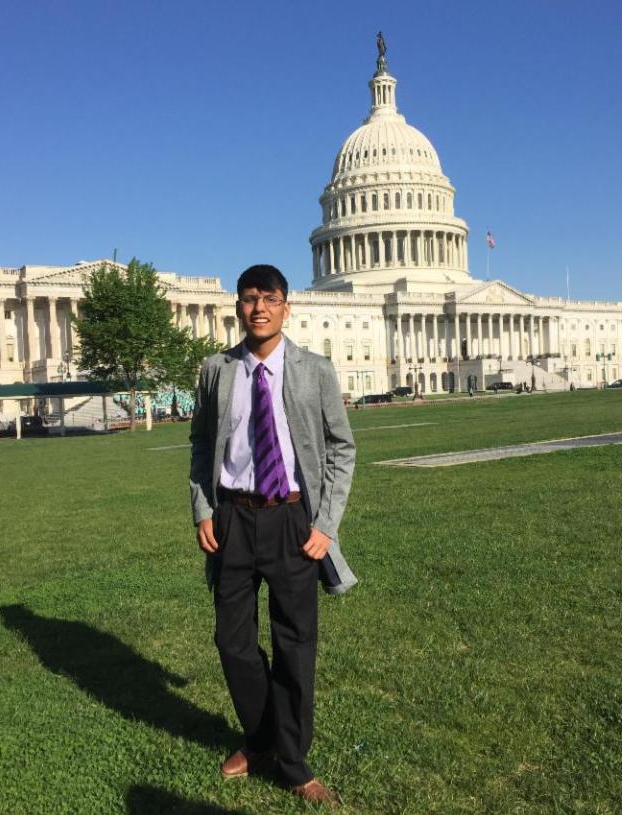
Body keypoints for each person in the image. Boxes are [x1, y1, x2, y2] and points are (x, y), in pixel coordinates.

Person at [189, 264, 356, 806]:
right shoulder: (216, 371)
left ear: (287, 306)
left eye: (269, 297)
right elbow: (201, 444)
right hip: (233, 519)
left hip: (291, 519)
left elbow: (342, 448)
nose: (258, 307)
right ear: (237, 307)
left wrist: (325, 524)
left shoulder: (315, 370)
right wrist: (202, 510)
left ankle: (294, 761)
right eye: (248, 298)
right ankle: (262, 738)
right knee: (232, 641)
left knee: (294, 644)